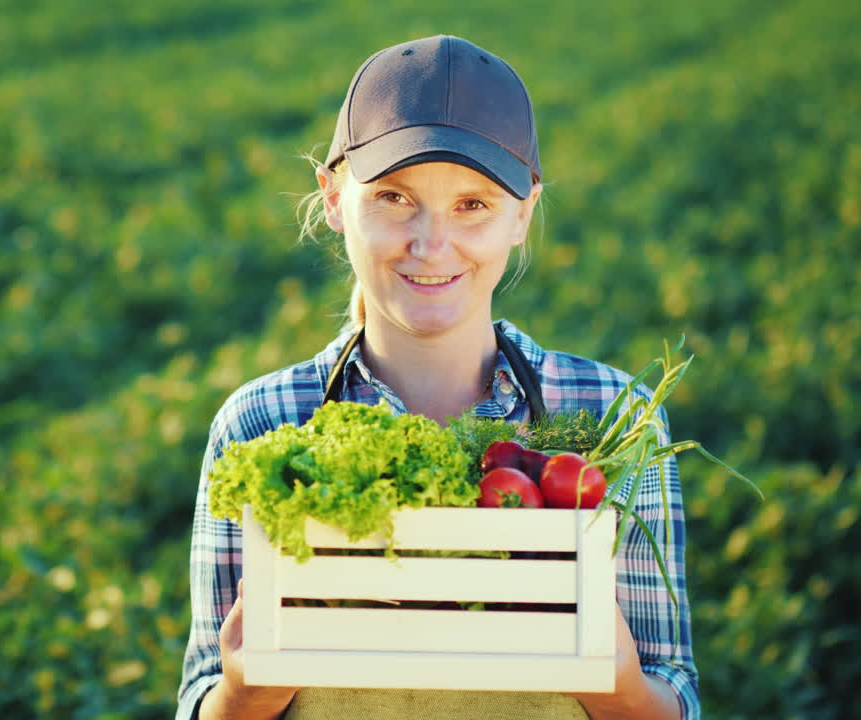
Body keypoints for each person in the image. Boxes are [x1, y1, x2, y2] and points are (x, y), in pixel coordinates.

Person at [176, 35, 699, 720]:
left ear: (524, 213)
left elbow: (674, 699)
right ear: (334, 199)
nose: (430, 244)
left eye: (472, 205)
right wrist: (249, 689)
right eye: (394, 197)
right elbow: (201, 701)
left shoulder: (612, 417)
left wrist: (617, 680)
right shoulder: (262, 422)